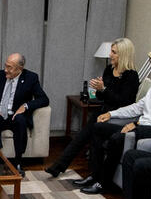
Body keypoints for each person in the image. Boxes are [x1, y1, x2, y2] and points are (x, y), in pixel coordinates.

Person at [76, 58, 151, 194]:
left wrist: (136, 124)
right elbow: (136, 108)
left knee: (117, 138)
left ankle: (103, 184)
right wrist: (111, 114)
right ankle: (95, 175)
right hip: (139, 125)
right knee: (98, 127)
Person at [45, 38, 139, 177]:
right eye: (111, 51)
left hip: (118, 116)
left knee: (89, 135)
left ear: (123, 54)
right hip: (103, 110)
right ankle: (59, 167)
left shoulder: (131, 76)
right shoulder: (109, 69)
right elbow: (102, 98)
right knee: (80, 137)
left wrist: (104, 89)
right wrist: (98, 90)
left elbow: (125, 102)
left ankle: (87, 174)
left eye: (114, 52)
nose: (110, 55)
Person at [0, 53, 50, 175]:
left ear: (20, 69)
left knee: (20, 120)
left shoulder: (31, 78)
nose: (6, 70)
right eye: (5, 66)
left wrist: (26, 106)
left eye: (10, 67)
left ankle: (18, 162)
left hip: (15, 117)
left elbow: (44, 99)